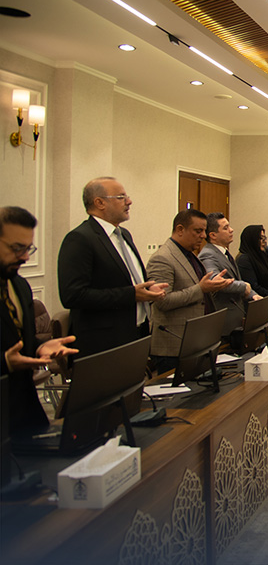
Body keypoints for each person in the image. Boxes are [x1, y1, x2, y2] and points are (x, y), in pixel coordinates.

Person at [58, 177, 167, 357]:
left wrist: (148, 289)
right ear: (100, 203)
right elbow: (73, 295)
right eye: (121, 197)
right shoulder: (80, 238)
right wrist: (131, 295)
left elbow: (126, 279)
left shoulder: (124, 235)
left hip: (136, 333)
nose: (129, 201)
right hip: (103, 343)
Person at [1, 207, 78, 434]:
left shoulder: (19, 286)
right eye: (17, 248)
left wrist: (39, 346)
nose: (25, 257)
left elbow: (18, 340)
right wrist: (5, 362)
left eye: (28, 248)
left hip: (24, 415)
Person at [146, 209, 232, 359]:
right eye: (198, 231)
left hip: (198, 340)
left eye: (204, 231)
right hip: (174, 344)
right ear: (180, 230)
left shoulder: (190, 254)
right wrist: (201, 289)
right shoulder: (162, 258)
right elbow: (163, 301)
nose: (203, 236)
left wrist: (213, 286)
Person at [199, 213, 260, 337]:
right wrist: (243, 286)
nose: (231, 230)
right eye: (225, 228)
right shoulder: (208, 254)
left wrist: (253, 295)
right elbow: (215, 280)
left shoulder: (224, 252)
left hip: (236, 318)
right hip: (224, 324)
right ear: (213, 235)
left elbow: (237, 280)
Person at [237, 225, 268, 300]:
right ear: (252, 240)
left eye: (264, 238)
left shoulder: (262, 255)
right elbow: (253, 286)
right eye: (260, 238)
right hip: (257, 301)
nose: (264, 241)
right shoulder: (244, 259)